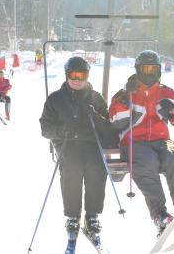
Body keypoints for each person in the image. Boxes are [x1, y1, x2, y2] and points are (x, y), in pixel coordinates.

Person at [108, 50, 174, 238]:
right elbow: (114, 120)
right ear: (138, 70)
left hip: (161, 141)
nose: (149, 72)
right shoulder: (125, 93)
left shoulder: (167, 93)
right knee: (147, 161)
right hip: (134, 142)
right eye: (146, 68)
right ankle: (159, 215)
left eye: (153, 68)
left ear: (159, 70)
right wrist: (126, 100)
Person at [39, 56, 118, 253]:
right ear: (67, 75)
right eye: (73, 75)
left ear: (86, 76)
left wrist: (97, 118)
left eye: (81, 75)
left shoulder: (96, 98)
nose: (76, 79)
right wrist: (60, 131)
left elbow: (108, 128)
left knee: (96, 168)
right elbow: (45, 127)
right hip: (68, 143)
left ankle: (91, 216)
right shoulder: (56, 99)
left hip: (91, 143)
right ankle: (73, 216)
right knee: (72, 168)